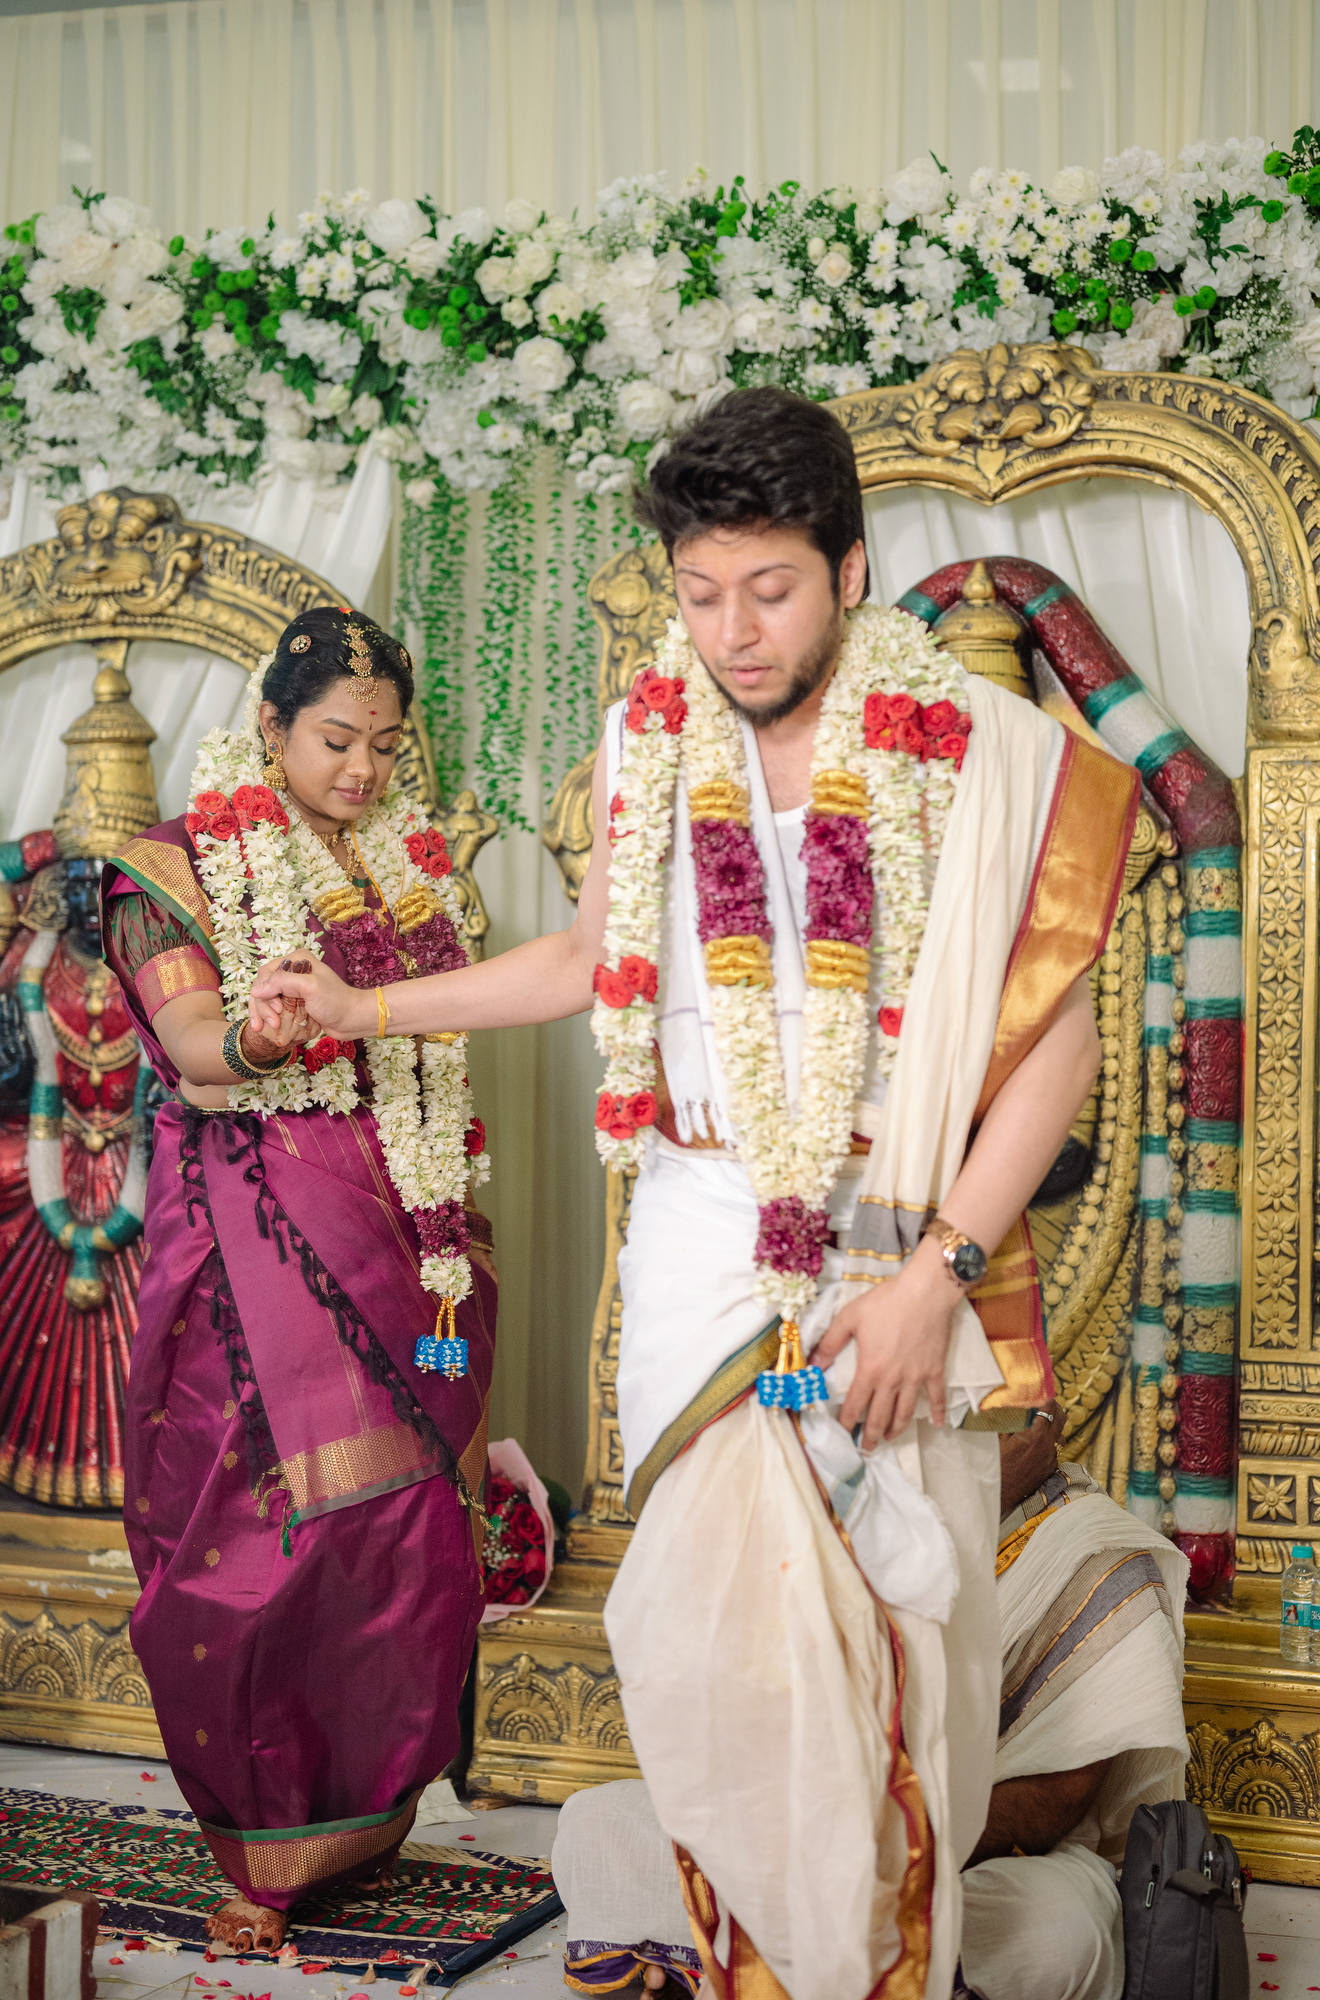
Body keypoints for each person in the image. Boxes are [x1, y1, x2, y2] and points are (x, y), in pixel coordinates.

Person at [249, 389, 1140, 1999]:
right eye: (702, 591)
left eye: (771, 589)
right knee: (702, 1648)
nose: (732, 632)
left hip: (889, 1231)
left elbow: (1053, 1046)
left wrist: (929, 1278)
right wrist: (363, 1007)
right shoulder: (646, 737)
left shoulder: (986, 755)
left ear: (850, 569)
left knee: (888, 1654)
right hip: (693, 1231)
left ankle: (861, 1970)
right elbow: (587, 961)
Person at [102, 606, 495, 1953]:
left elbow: (433, 1052)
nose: (364, 770)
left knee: (405, 1519)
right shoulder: (173, 866)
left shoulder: (403, 871)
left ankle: (363, 1814)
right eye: (336, 739)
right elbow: (192, 1044)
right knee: (268, 1527)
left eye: (386, 745)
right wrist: (267, 1040)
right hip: (251, 1237)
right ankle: (260, 1841)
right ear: (270, 725)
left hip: (407, 1233)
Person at [550, 1406, 1189, 2000]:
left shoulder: (1100, 1551)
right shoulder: (868, 1508)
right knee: (595, 1823)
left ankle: (735, 1960)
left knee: (1059, 1931)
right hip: (814, 1830)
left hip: (978, 1862)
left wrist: (888, 1851)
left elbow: (1057, 1800)